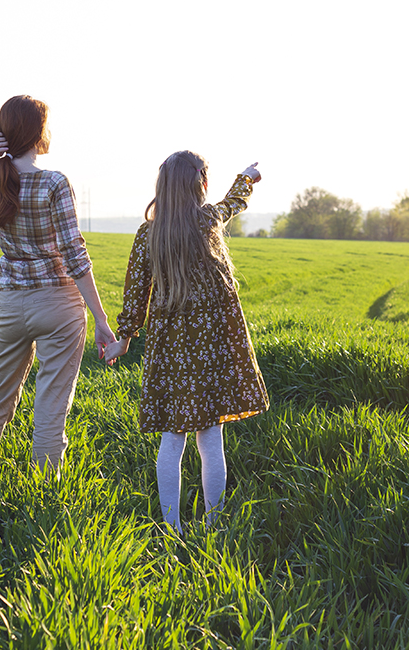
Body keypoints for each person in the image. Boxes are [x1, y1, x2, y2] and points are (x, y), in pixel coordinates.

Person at [104, 151, 270, 532]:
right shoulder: (208, 220)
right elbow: (232, 203)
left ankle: (172, 527)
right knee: (211, 439)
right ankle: (214, 525)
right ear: (202, 185)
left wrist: (124, 340)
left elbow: (135, 294)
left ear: (161, 188)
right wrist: (246, 177)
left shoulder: (149, 234)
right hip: (211, 347)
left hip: (168, 350)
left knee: (172, 439)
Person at [0, 95, 116, 474]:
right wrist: (100, 319)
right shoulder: (54, 183)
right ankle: (44, 497)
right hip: (58, 303)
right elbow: (75, 255)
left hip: (12, 305)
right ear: (38, 132)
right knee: (50, 411)